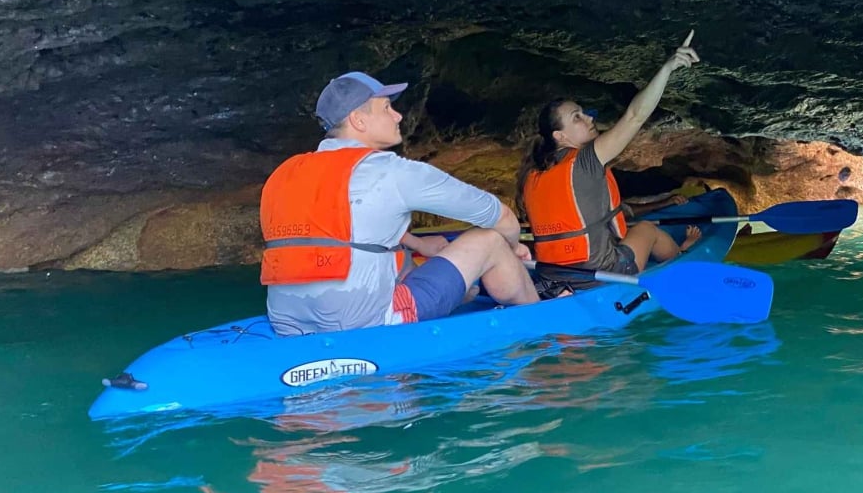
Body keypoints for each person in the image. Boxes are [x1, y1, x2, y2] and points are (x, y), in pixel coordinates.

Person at [260, 71, 538, 336]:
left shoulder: (284, 173)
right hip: (363, 324)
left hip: (287, 323)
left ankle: (459, 293)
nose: (398, 115)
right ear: (358, 120)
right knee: (490, 240)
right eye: (386, 108)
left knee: (394, 252)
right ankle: (540, 317)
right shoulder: (393, 171)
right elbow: (499, 216)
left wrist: (418, 244)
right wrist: (513, 247)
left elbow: (341, 230)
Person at [516, 32, 703, 284]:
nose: (589, 118)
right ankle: (682, 257)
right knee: (646, 229)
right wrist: (667, 68)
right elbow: (635, 116)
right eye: (577, 117)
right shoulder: (584, 162)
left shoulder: (533, 173)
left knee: (628, 231)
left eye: (584, 113)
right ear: (560, 136)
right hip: (600, 274)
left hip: (553, 275)